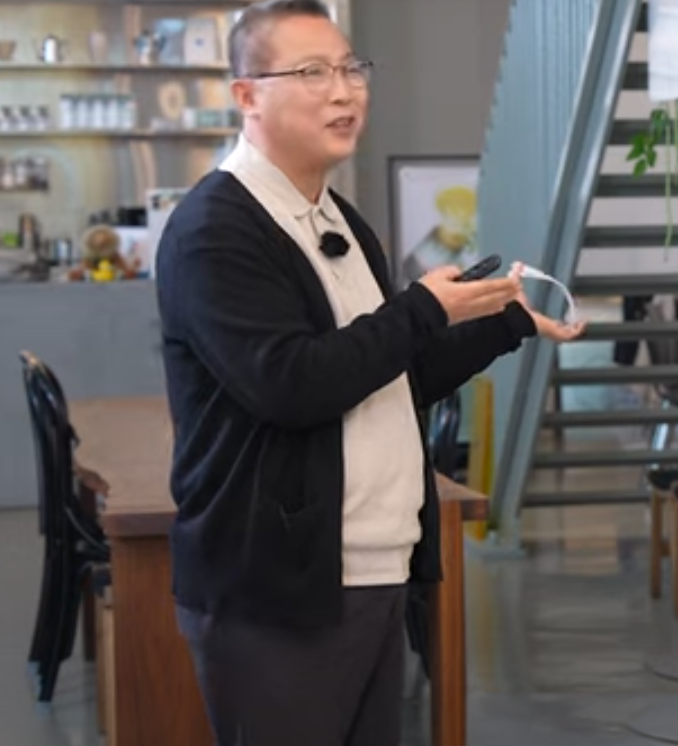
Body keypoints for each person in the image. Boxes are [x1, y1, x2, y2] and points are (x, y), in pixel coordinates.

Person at [152, 2, 584, 744]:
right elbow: (290, 384)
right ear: (246, 94)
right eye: (312, 72)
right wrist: (420, 307)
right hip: (280, 587)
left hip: (373, 567)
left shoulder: (338, 219)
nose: (345, 90)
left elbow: (389, 374)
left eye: (352, 68)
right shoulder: (215, 230)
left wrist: (503, 322)